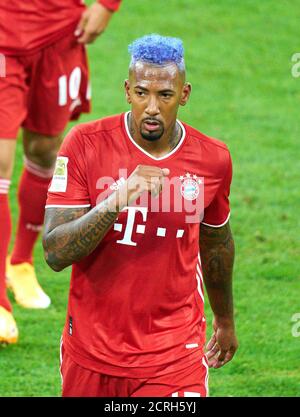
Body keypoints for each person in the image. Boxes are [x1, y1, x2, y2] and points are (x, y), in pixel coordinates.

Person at [43, 34, 238, 397]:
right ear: (127, 91)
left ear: (184, 94)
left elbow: (216, 245)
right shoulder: (84, 143)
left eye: (164, 95)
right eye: (142, 92)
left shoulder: (213, 159)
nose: (152, 107)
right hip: (91, 352)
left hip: (174, 356)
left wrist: (225, 320)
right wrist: (115, 201)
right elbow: (55, 252)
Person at [0, 0, 122, 344]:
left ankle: (21, 262)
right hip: (3, 36)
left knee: (44, 151)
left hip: (59, 33)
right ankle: (0, 303)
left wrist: (107, 5)